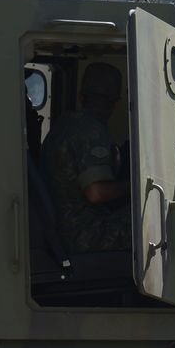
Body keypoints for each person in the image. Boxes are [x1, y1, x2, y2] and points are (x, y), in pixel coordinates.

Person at [42, 61, 130, 253]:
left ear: (81, 97)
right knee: (152, 217)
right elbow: (96, 193)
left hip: (62, 228)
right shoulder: (91, 131)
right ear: (116, 104)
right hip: (84, 234)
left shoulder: (64, 124)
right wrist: (134, 186)